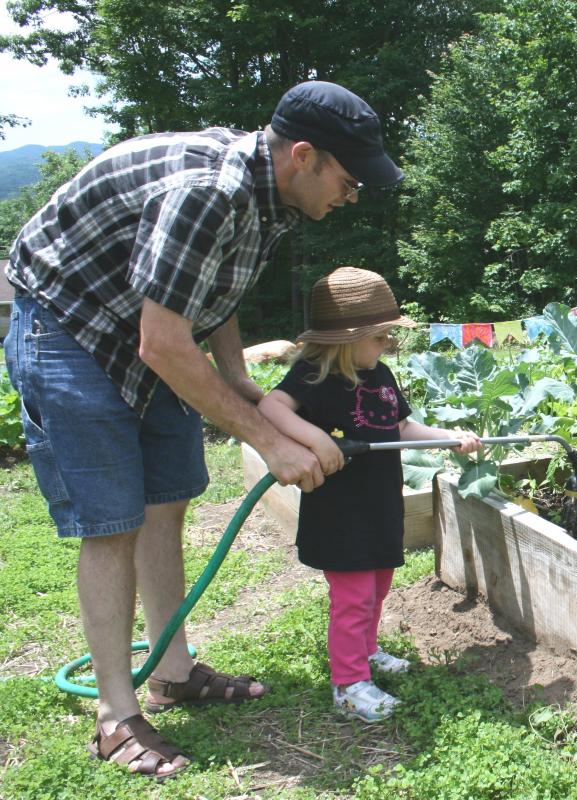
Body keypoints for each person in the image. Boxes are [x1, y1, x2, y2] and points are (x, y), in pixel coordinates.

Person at [3, 80, 404, 779]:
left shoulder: (273, 199)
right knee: (112, 522)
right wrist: (270, 438)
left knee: (169, 501)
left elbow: (208, 294)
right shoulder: (211, 191)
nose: (352, 194)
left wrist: (238, 381)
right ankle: (115, 717)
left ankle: (174, 671)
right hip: (71, 328)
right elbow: (162, 341)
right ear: (304, 156)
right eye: (347, 178)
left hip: (148, 328)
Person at [258, 266, 481, 722]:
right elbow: (270, 406)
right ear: (345, 338)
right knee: (353, 597)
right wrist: (318, 441)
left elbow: (400, 427)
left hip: (378, 503)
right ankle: (348, 683)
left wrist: (446, 436)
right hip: (339, 512)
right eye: (380, 336)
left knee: (377, 587)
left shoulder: (379, 373)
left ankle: (368, 651)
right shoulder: (311, 376)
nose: (388, 345)